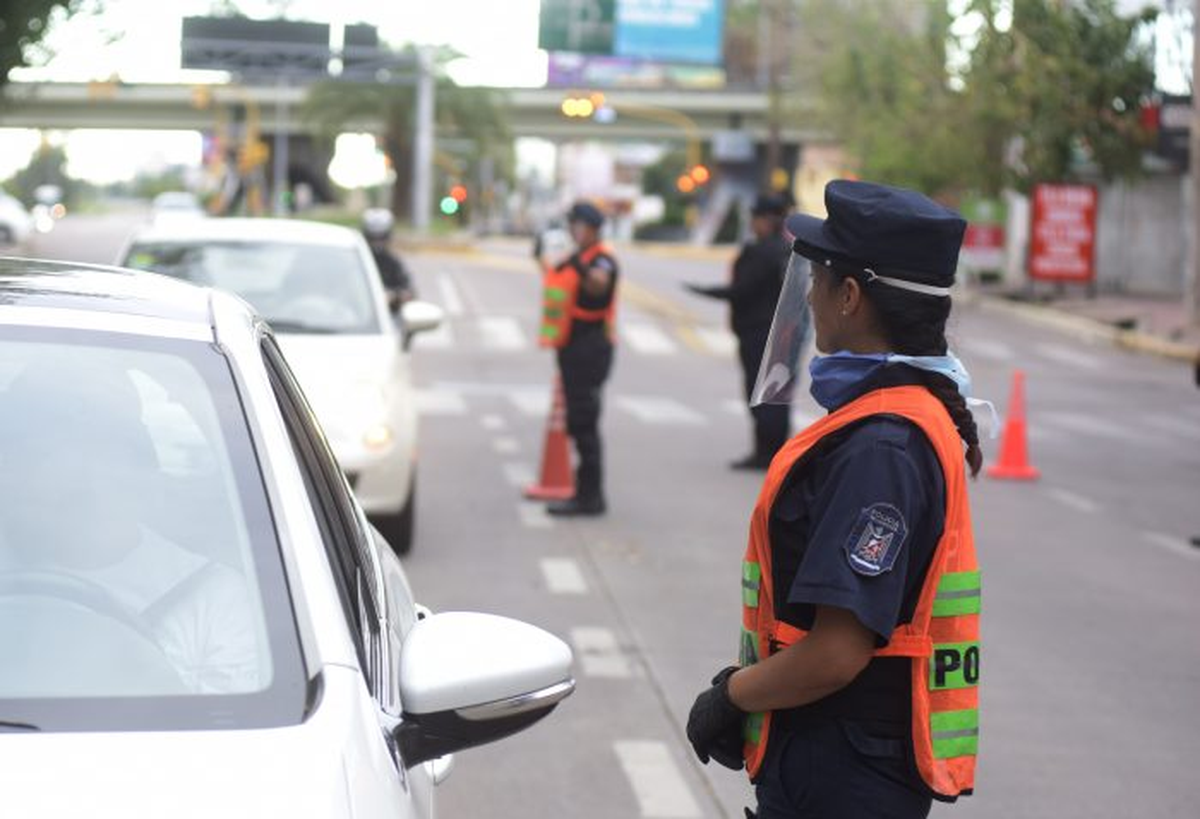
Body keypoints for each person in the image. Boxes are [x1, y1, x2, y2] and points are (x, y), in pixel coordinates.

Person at [686, 180, 984, 818]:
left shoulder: (881, 447)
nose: (810, 297)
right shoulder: (895, 418)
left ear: (850, 296)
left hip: (843, 774)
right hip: (846, 763)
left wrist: (733, 696)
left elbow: (836, 653)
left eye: (818, 280)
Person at [0, 367, 261, 695]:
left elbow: (228, 736)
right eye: (34, 455)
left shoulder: (213, 597)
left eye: (96, 453)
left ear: (135, 473)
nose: (67, 475)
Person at [686, 192, 793, 469]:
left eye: (755, 218)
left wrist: (705, 291)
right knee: (776, 395)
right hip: (783, 331)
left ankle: (767, 455)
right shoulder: (786, 250)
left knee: (761, 396)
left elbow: (742, 290)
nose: (752, 224)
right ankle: (771, 454)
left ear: (767, 221)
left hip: (759, 331)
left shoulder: (762, 251)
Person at [534, 200, 619, 516]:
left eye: (577, 225)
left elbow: (599, 285)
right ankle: (585, 493)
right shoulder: (578, 257)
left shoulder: (602, 260)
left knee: (585, 424)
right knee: (577, 422)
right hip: (571, 348)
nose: (573, 230)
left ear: (592, 228)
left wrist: (578, 264)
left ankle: (590, 498)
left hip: (590, 350)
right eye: (571, 225)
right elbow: (553, 273)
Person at [362, 207, 416, 309]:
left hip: (390, 317)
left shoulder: (393, 263)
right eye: (373, 238)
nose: (377, 243)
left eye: (381, 237)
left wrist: (393, 296)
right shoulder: (358, 262)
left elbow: (409, 292)